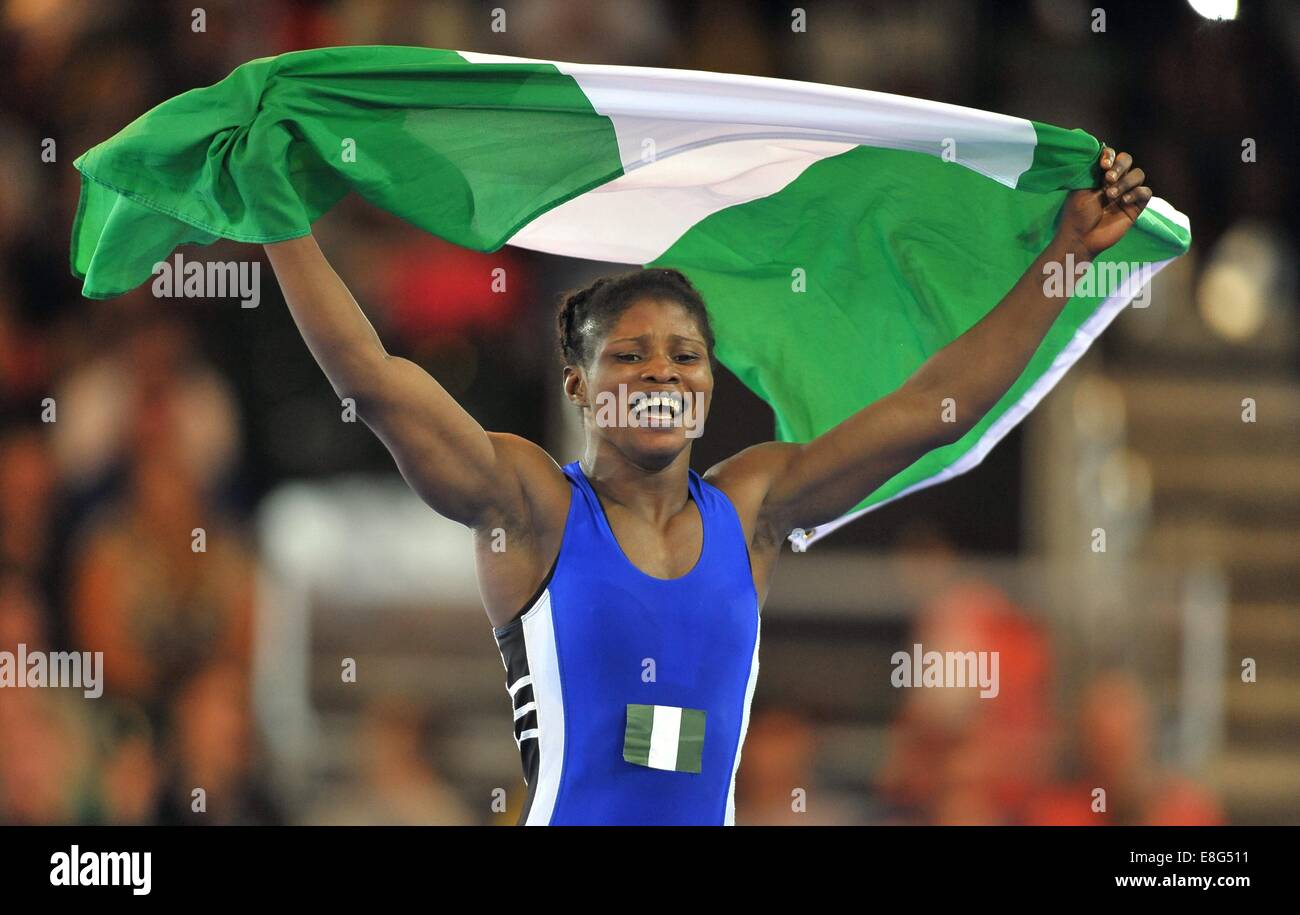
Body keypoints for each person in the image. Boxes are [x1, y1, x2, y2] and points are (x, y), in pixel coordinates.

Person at [262, 148, 1153, 825]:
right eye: (630, 353)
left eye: (685, 354)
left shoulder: (755, 507)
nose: (661, 372)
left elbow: (935, 408)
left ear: (711, 382)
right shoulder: (531, 506)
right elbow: (374, 379)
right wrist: (274, 212)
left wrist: (1067, 252)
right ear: (578, 384)